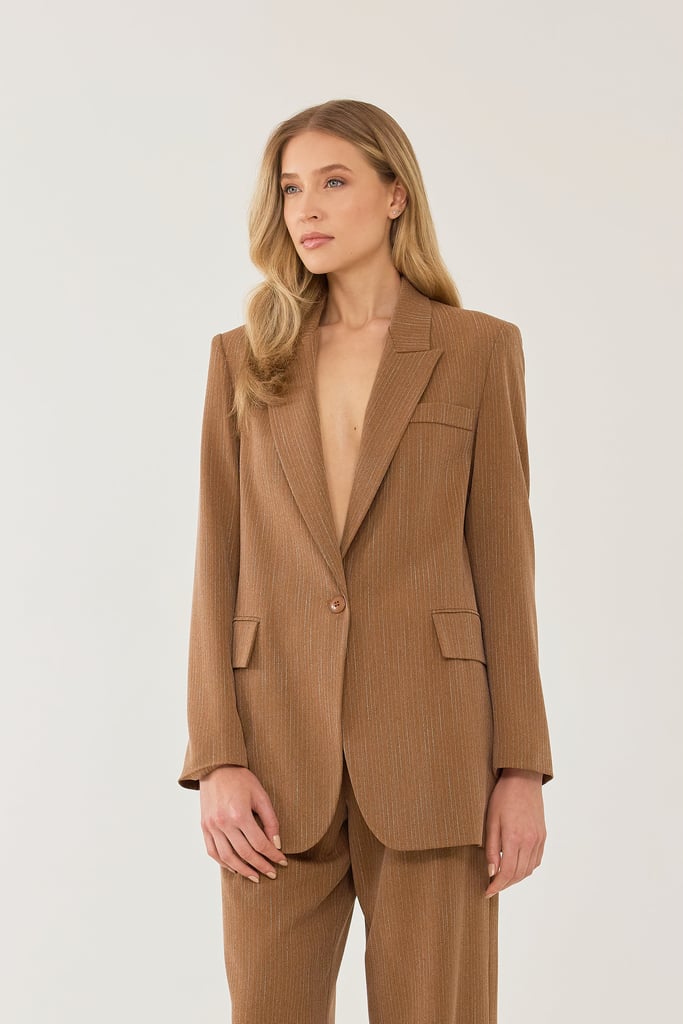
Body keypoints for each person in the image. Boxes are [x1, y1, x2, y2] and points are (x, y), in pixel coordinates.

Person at [178, 98, 554, 1024]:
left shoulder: (476, 350)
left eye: (333, 181)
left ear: (395, 194)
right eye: (289, 188)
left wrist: (521, 769)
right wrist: (216, 757)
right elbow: (216, 565)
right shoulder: (244, 360)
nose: (305, 208)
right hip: (273, 760)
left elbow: (504, 568)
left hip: (438, 750)